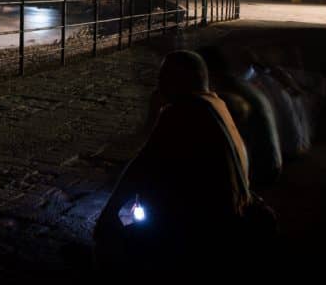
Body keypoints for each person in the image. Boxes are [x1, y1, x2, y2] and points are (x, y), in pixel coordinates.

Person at [94, 50, 273, 270]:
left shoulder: (182, 112)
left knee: (129, 231)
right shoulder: (218, 105)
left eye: (164, 77)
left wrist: (107, 219)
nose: (158, 84)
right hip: (236, 214)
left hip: (212, 228)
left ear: (182, 80)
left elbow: (139, 170)